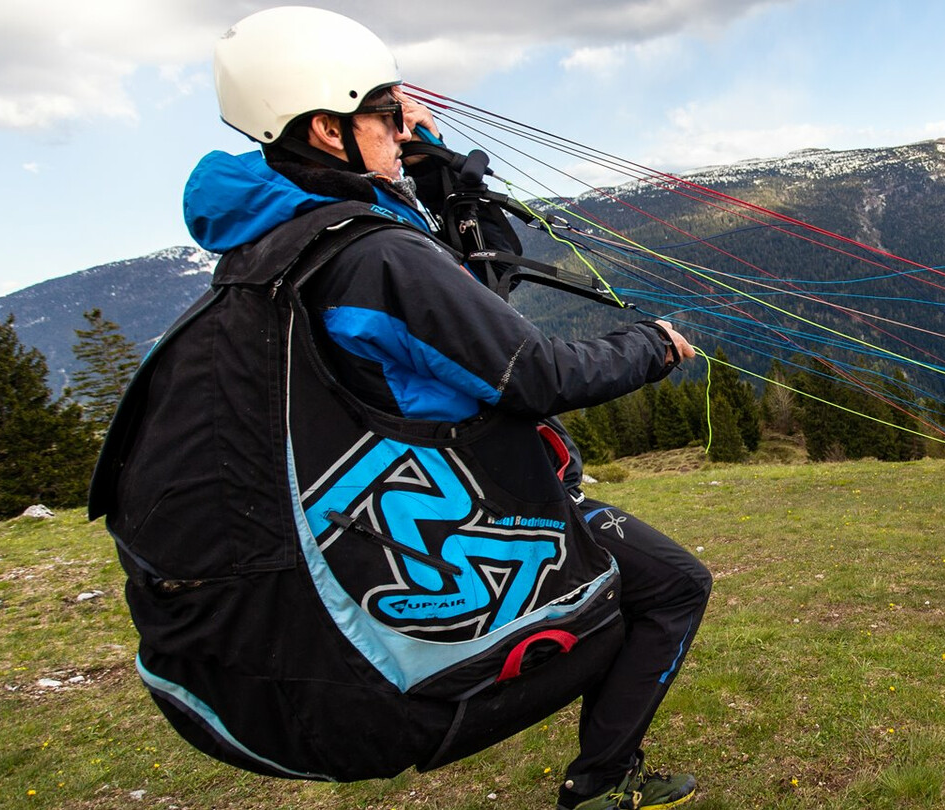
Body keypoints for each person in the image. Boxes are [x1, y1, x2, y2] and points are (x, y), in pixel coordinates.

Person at [194, 7, 711, 809]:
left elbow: (470, 298)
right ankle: (601, 783)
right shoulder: (376, 255)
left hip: (399, 505)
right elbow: (532, 372)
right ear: (330, 132)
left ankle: (602, 773)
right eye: (387, 113)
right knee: (670, 588)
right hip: (474, 503)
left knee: (656, 586)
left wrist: (429, 175)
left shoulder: (282, 239)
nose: (403, 128)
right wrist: (652, 344)